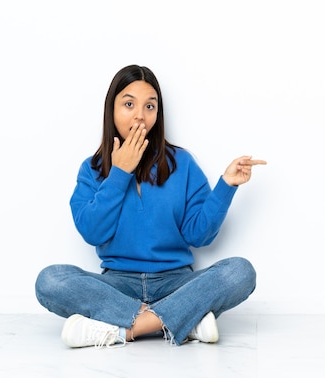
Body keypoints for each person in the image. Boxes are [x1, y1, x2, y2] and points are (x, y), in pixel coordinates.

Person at [35, 64, 266, 349]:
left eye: (149, 106)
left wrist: (226, 186)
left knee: (239, 272)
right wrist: (119, 172)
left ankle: (124, 329)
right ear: (112, 110)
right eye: (129, 104)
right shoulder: (92, 169)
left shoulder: (182, 164)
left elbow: (199, 236)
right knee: (51, 281)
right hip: (118, 286)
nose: (140, 116)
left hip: (177, 283)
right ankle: (183, 320)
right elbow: (93, 232)